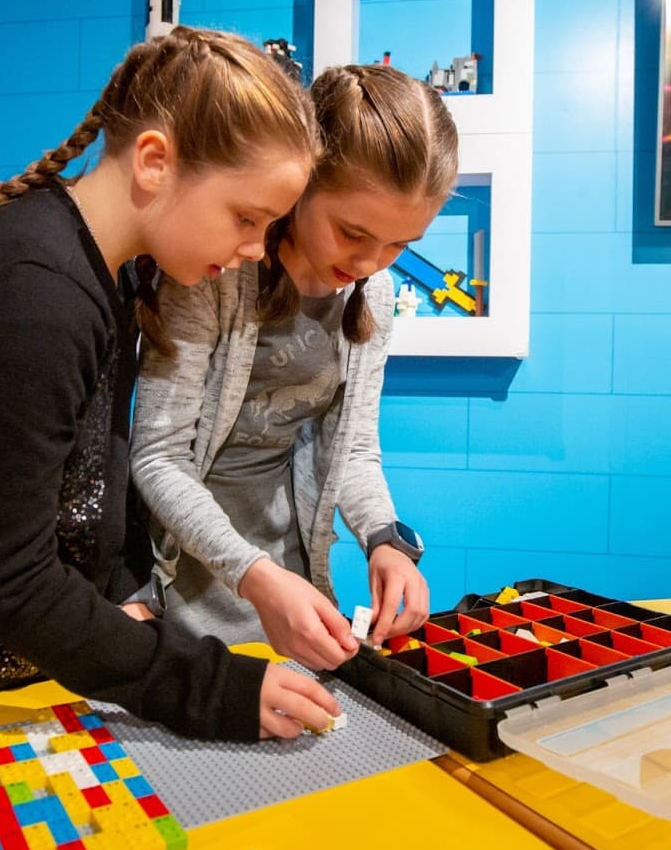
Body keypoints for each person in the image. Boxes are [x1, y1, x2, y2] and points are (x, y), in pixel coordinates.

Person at [0, 27, 340, 742]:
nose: (251, 252)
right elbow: (8, 579)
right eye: (246, 218)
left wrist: (122, 595)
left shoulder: (101, 273)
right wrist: (211, 686)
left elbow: (89, 476)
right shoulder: (33, 294)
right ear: (154, 162)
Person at [131, 64, 458, 671]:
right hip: (182, 576)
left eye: (399, 245)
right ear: (303, 182)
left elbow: (354, 448)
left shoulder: (374, 295)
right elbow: (159, 455)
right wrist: (251, 573)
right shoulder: (217, 267)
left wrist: (383, 540)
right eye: (352, 232)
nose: (369, 262)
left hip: (285, 573)